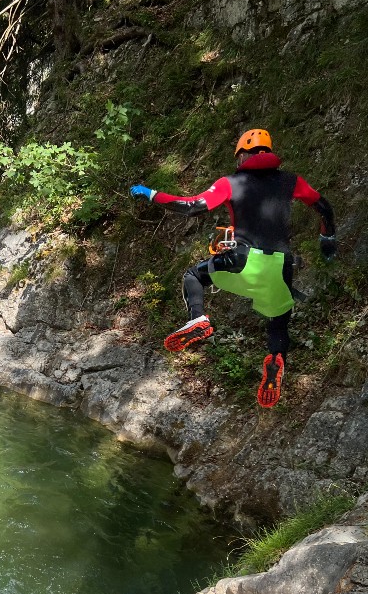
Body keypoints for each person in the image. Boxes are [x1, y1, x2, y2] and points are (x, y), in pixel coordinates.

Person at [130, 128, 336, 408]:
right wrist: (327, 238)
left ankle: (198, 320)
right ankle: (276, 361)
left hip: (245, 260)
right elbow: (323, 207)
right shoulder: (291, 181)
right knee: (278, 323)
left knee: (193, 275)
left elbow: (192, 206)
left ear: (243, 155)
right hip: (280, 266)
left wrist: (152, 194)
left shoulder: (231, 182)